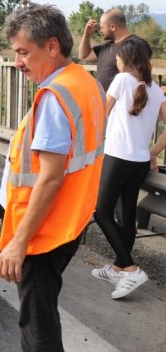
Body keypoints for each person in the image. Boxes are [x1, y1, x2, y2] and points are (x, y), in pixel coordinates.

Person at [0, 4, 105, 351]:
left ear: (52, 46)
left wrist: (19, 242)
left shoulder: (55, 97)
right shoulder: (85, 82)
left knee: (37, 323)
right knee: (42, 312)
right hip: (71, 220)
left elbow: (50, 178)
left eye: (24, 52)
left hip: (44, 231)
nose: (18, 62)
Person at [92, 39, 166, 299]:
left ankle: (131, 269)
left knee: (100, 212)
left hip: (117, 157)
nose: (116, 61)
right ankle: (117, 267)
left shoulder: (122, 80)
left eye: (119, 57)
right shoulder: (155, 89)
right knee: (125, 216)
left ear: (127, 59)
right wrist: (153, 152)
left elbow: (100, 114)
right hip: (139, 162)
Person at [79, 8, 152, 91]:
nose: (100, 31)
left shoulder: (137, 45)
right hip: (105, 102)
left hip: (125, 103)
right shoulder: (106, 47)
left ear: (112, 27)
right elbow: (84, 56)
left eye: (102, 27)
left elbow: (140, 76)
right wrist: (87, 34)